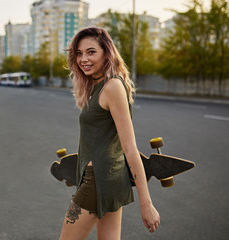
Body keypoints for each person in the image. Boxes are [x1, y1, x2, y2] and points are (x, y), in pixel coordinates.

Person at [59, 27, 160, 239]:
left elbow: (130, 147)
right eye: (79, 53)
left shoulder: (112, 86)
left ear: (107, 52)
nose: (83, 59)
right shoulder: (97, 86)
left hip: (97, 182)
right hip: (110, 179)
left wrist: (146, 203)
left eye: (91, 52)